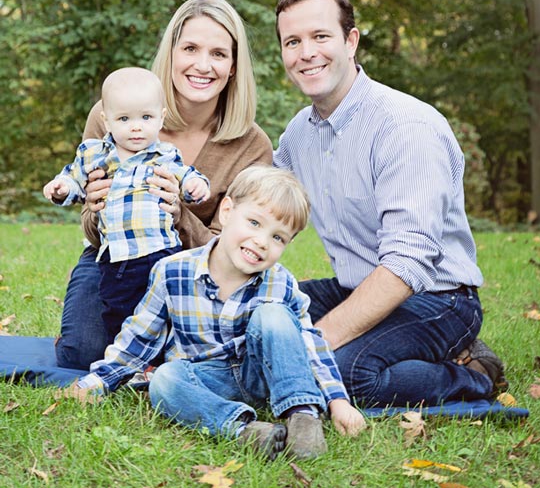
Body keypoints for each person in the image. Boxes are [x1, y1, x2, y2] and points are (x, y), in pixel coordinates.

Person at [273, 0, 508, 408]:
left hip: (439, 299)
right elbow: (265, 205)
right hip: (355, 286)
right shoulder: (297, 135)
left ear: (351, 41)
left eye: (320, 36)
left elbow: (407, 263)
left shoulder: (404, 126)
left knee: (341, 372)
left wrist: (320, 340)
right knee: (264, 316)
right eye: (293, 41)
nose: (306, 52)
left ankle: (472, 374)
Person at [65, 166, 367, 460]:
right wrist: (97, 382)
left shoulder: (279, 281)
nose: (262, 241)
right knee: (165, 380)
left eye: (278, 238)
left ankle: (302, 418)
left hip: (262, 373)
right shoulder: (172, 272)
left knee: (273, 316)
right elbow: (139, 338)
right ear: (226, 212)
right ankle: (245, 430)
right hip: (208, 378)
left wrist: (338, 400)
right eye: (254, 223)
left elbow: (309, 342)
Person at [55, 0, 273, 369]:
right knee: (81, 353)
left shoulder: (251, 145)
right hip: (115, 259)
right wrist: (94, 208)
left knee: (189, 356)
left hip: (196, 272)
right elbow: (92, 229)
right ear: (171, 53)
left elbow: (234, 253)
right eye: (190, 48)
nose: (203, 65)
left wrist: (179, 215)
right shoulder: (118, 113)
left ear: (234, 66)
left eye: (219, 54)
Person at [44, 67, 210, 344]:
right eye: (124, 118)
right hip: (117, 256)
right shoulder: (95, 154)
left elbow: (187, 177)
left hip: (162, 251)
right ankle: (124, 357)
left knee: (166, 309)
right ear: (106, 120)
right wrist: (62, 189)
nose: (136, 127)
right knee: (118, 309)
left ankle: (163, 356)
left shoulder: (165, 155)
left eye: (146, 117)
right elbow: (74, 178)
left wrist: (195, 188)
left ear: (161, 119)